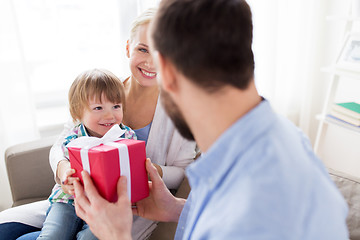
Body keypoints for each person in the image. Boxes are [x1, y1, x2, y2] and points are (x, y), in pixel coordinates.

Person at [73, 0, 349, 239]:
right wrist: (177, 209)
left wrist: (116, 236)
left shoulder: (252, 207)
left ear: (165, 72)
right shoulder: (278, 137)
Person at [0, 8, 196, 240]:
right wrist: (64, 171)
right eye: (142, 49)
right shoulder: (103, 88)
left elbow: (184, 173)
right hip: (72, 199)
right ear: (127, 49)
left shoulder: (181, 110)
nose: (151, 61)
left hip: (127, 211)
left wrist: (144, 169)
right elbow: (63, 143)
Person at [38, 68, 139, 240]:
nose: (109, 115)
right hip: (68, 201)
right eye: (98, 108)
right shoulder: (73, 139)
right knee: (53, 235)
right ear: (78, 113)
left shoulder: (127, 136)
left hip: (107, 206)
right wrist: (67, 179)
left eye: (116, 106)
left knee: (91, 238)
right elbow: (64, 169)